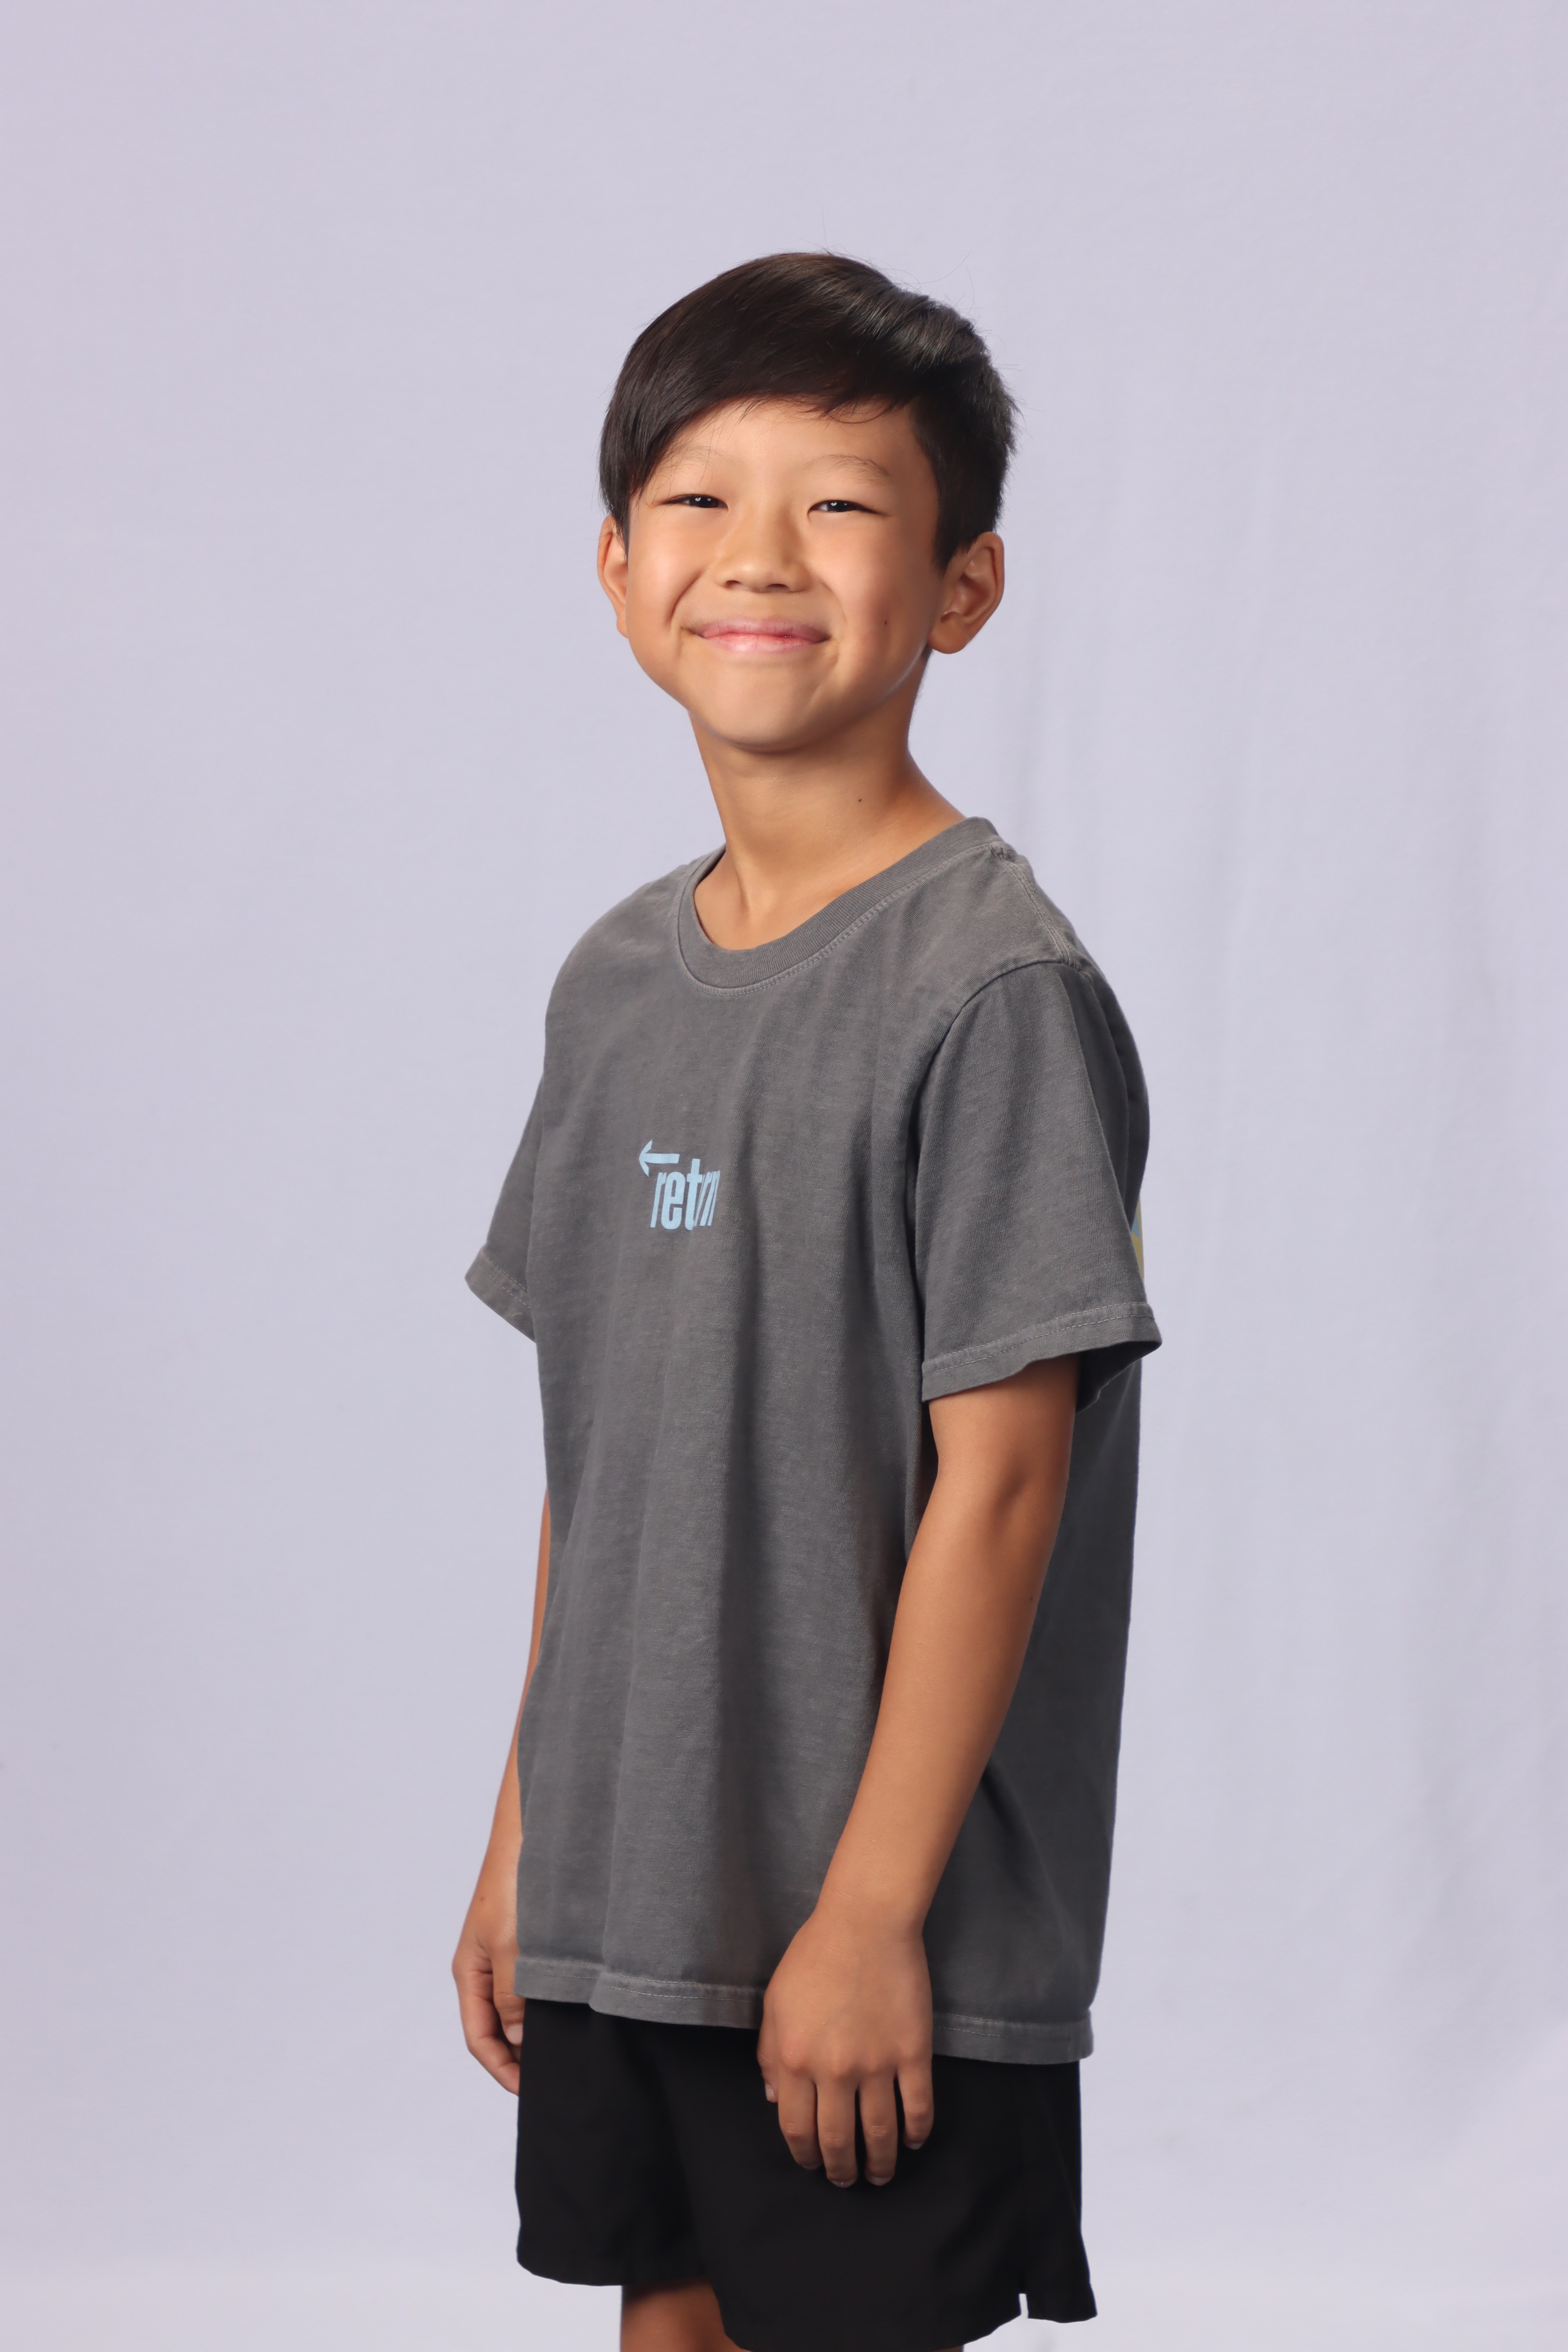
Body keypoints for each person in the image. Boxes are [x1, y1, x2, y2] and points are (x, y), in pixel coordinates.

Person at [453, 252, 1160, 2352]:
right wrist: (526, 1832)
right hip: (629, 1891)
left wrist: (868, 1914)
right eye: (699, 499)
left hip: (874, 1928)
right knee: (664, 2325)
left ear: (961, 586)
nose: (759, 555)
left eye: (841, 506)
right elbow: (600, 1454)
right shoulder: (611, 982)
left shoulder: (988, 983)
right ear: (616, 571)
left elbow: (1004, 1489)